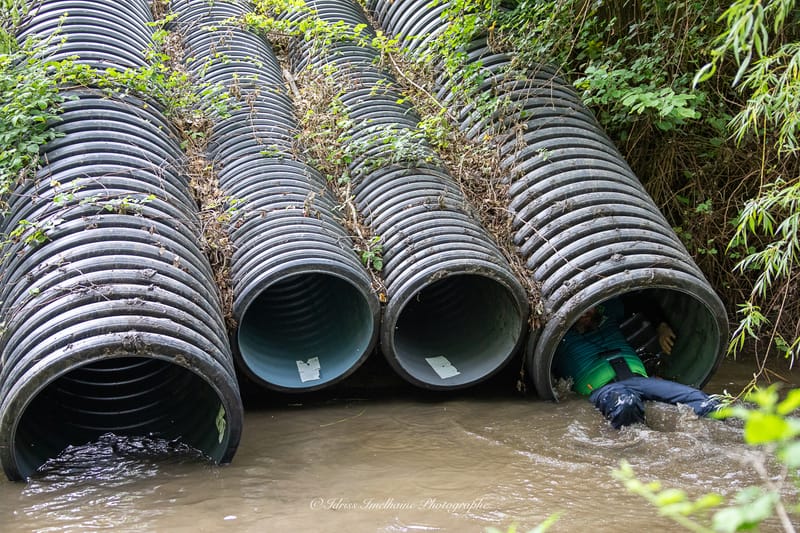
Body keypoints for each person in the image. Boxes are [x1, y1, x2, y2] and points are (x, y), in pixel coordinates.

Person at [553, 294, 719, 428]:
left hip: (641, 381)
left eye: (589, 306)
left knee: (708, 404)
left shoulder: (607, 312)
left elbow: (642, 300)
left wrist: (661, 327)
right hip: (604, 389)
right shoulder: (557, 335)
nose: (585, 312)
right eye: (578, 309)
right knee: (626, 404)